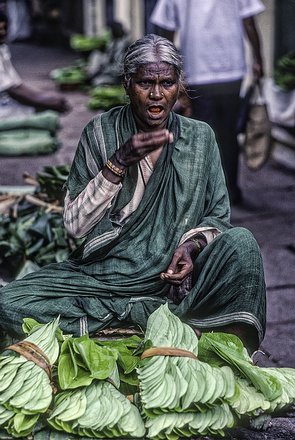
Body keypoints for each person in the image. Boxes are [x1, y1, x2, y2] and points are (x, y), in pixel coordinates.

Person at [0, 34, 266, 354]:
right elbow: (74, 226)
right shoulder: (99, 132)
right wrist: (118, 162)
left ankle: (174, 325)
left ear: (179, 86)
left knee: (243, 244)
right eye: (144, 83)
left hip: (172, 282)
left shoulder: (200, 137)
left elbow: (217, 214)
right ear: (127, 85)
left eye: (166, 83)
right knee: (7, 304)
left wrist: (191, 245)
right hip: (103, 276)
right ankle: (166, 322)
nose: (156, 94)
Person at [150, 0, 265, 205]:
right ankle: (231, 190)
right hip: (231, 68)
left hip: (197, 70)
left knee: (203, 134)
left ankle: (209, 192)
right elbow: (249, 22)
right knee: (228, 133)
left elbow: (166, 30)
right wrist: (258, 59)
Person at [0, 10, 69, 120]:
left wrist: (45, 97)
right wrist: (45, 102)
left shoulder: (2, 48)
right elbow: (12, 90)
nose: (3, 32)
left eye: (4, 28)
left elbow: (16, 84)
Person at [86, 21, 131, 87]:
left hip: (118, 76)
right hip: (109, 71)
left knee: (97, 82)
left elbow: (119, 69)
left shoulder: (124, 46)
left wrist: (102, 70)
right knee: (96, 54)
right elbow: (108, 59)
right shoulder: (113, 43)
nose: (108, 33)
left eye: (109, 31)